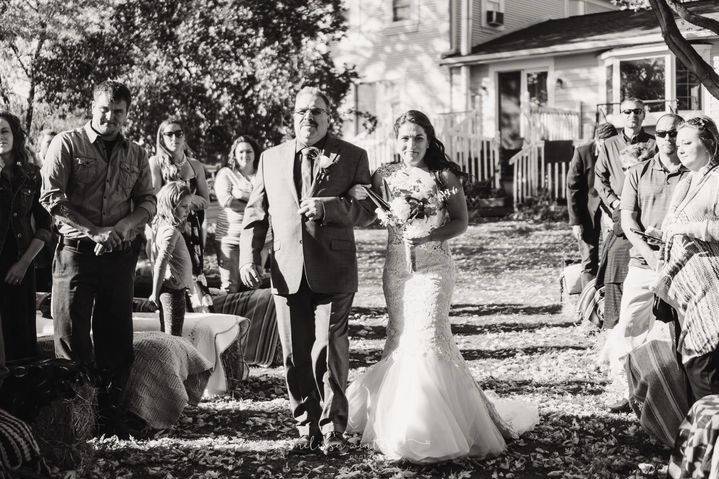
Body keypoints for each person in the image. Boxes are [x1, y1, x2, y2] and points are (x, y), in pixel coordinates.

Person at [345, 110, 538, 463]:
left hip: (434, 268)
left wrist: (428, 236)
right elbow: (367, 215)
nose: (411, 144)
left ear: (428, 139)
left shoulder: (442, 174)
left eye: (418, 137)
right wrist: (360, 195)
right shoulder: (385, 174)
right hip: (397, 269)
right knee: (400, 337)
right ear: (396, 140)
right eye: (404, 138)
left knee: (429, 337)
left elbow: (461, 222)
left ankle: (432, 430)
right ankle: (398, 422)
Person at [239, 86, 375, 456]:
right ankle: (307, 428)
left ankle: (333, 432)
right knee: (294, 356)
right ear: (292, 115)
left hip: (333, 269)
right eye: (301, 111)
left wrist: (330, 208)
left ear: (329, 118)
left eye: (316, 111)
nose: (308, 118)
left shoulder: (352, 156)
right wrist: (249, 258)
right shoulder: (270, 158)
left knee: (329, 352)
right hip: (287, 269)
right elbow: (255, 214)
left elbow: (367, 210)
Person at [40, 80, 156, 437]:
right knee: (71, 334)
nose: (110, 116)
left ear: (127, 114)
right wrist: (94, 231)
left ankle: (109, 417)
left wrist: (123, 226)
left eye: (118, 111)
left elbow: (148, 202)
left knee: (116, 338)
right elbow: (52, 198)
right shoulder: (67, 143)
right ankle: (75, 419)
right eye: (104, 108)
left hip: (119, 257)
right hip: (77, 254)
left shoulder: (136, 154)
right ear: (93, 106)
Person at [602, 114, 689, 416]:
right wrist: (652, 257)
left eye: (674, 133)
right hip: (643, 261)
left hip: (682, 263)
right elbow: (628, 220)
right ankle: (628, 389)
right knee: (629, 325)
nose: (668, 138)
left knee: (677, 329)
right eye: (662, 133)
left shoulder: (695, 173)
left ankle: (675, 395)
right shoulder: (639, 172)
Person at [655, 116, 719, 402]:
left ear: (709, 144)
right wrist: (662, 233)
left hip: (712, 289)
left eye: (687, 142)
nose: (679, 149)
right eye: (678, 143)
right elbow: (674, 226)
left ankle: (709, 441)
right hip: (686, 294)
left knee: (702, 364)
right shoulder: (686, 182)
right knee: (692, 365)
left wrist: (688, 229)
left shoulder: (717, 180)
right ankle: (701, 438)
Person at [594, 98, 656, 329]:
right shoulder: (609, 144)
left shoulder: (654, 142)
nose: (633, 116)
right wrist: (615, 203)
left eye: (637, 111)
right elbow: (600, 180)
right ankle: (612, 319)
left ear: (644, 114)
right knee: (615, 262)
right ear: (621, 115)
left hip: (647, 212)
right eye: (627, 112)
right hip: (617, 213)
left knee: (643, 261)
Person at [0, 111, 52, 360]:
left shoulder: (32, 174)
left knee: (21, 338)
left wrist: (24, 264)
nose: (0, 137)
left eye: (4, 131)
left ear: (14, 135)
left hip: (22, 260)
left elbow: (45, 223)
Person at [149, 119, 210, 309]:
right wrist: (187, 200)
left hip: (191, 227)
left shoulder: (195, 165)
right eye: (169, 134)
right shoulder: (155, 163)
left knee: (193, 273)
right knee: (169, 273)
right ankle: (170, 319)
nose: (174, 137)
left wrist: (185, 202)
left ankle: (200, 315)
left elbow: (206, 201)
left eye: (178, 133)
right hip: (166, 226)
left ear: (184, 136)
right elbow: (155, 199)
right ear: (161, 138)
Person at [567, 122, 618, 288]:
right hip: (588, 210)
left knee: (613, 254)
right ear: (598, 140)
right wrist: (575, 222)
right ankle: (588, 303)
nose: (609, 147)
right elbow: (572, 188)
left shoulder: (619, 150)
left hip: (611, 208)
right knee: (589, 258)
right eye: (605, 144)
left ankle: (607, 296)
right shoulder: (582, 152)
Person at [214, 135, 260, 293]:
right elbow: (226, 201)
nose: (245, 155)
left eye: (249, 151)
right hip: (230, 238)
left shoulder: (262, 174)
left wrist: (242, 199)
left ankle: (249, 318)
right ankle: (227, 318)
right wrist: (254, 204)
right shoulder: (226, 173)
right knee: (230, 286)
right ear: (234, 154)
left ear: (255, 153)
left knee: (252, 284)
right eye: (240, 151)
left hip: (258, 239)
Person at [148, 181, 193, 336]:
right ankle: (170, 358)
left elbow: (151, 251)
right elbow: (160, 262)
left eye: (189, 206)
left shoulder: (161, 227)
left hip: (175, 287)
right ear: (171, 207)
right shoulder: (170, 231)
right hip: (173, 291)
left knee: (168, 332)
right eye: (184, 206)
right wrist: (154, 292)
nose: (188, 210)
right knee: (173, 336)